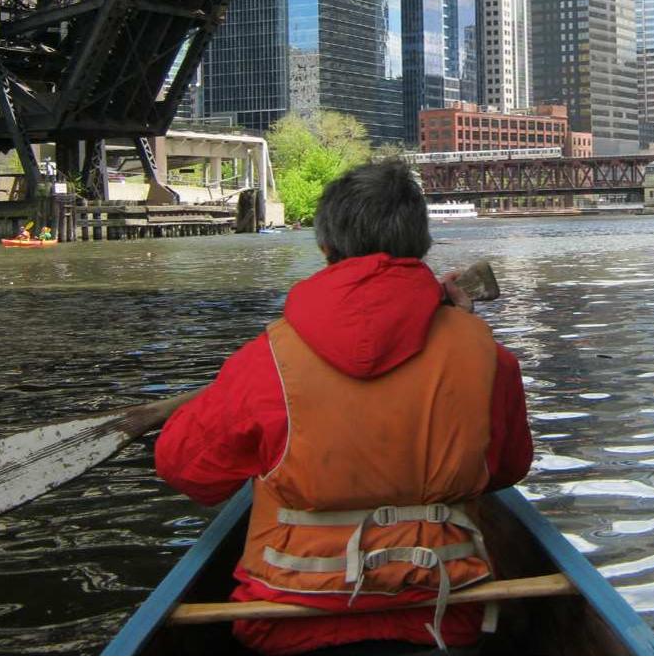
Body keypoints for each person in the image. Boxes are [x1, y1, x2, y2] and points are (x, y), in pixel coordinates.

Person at [155, 160, 532, 654]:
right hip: (440, 616)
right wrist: (465, 333)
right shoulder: (487, 355)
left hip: (288, 620)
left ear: (326, 247)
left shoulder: (266, 359)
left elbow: (188, 473)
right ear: (420, 246)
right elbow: (507, 468)